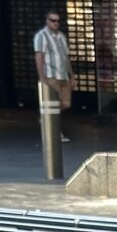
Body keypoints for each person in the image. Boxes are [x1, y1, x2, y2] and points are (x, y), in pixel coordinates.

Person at [33, 9, 74, 138]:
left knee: (65, 103)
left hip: (63, 75)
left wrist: (72, 76)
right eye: (53, 20)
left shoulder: (61, 36)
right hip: (51, 75)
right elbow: (39, 56)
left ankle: (45, 117)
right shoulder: (41, 36)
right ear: (47, 21)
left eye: (57, 21)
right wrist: (42, 77)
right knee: (54, 104)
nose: (56, 23)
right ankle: (56, 132)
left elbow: (66, 57)